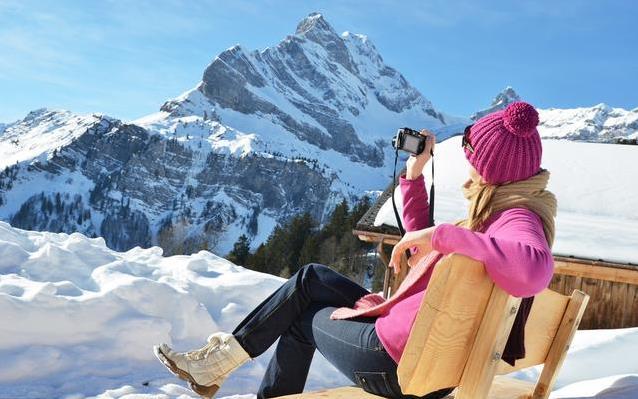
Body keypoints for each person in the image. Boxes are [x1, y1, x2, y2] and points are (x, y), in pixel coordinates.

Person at [153, 101, 557, 399]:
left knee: (300, 315)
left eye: (472, 156)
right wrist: (414, 181)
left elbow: (534, 271)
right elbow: (422, 256)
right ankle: (216, 364)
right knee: (311, 277)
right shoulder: (498, 218)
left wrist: (441, 235)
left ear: (490, 170)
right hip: (426, 354)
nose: (467, 163)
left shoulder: (518, 220)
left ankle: (218, 367)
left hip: (399, 362)